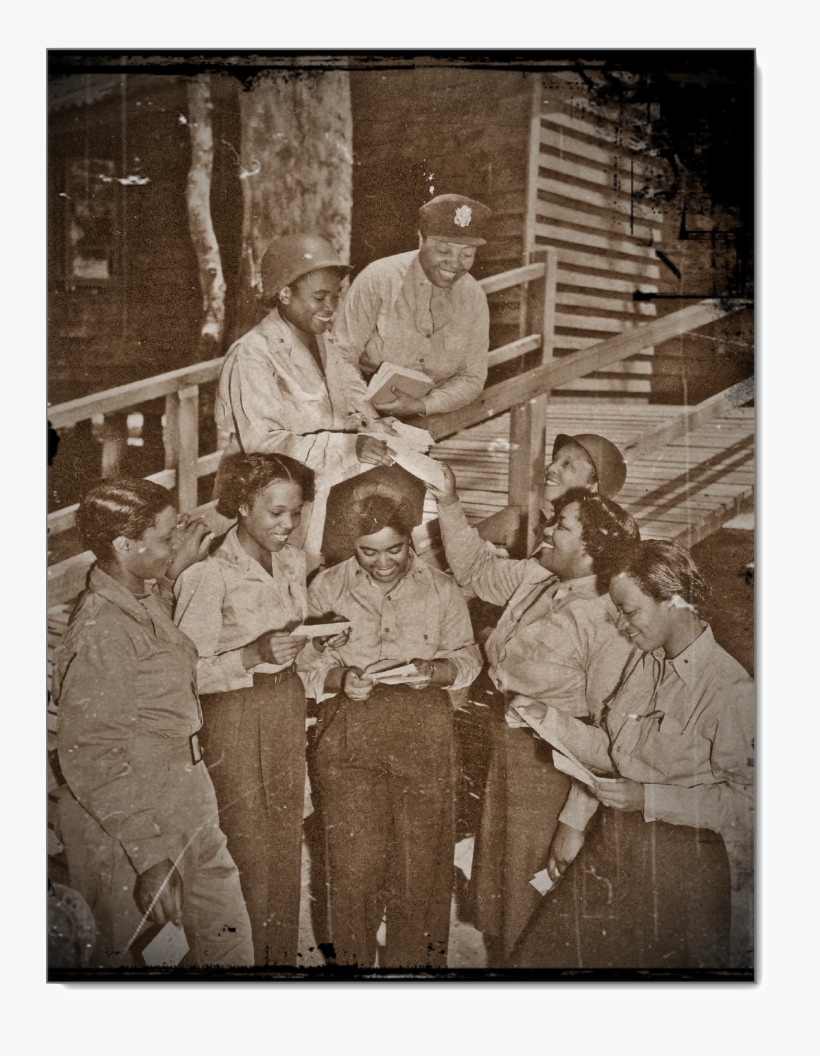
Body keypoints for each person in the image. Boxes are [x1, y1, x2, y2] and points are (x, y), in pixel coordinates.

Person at [514, 539, 754, 970]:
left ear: (674, 603)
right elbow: (613, 751)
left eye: (628, 611)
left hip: (684, 867)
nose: (622, 626)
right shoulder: (648, 661)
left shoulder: (730, 690)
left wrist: (647, 798)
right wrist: (545, 717)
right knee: (537, 959)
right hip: (619, 841)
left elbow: (750, 806)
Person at [434, 464, 638, 963]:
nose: (547, 530)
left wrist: (574, 820)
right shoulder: (540, 576)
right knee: (502, 899)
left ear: (591, 549)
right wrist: (449, 501)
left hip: (554, 774)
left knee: (539, 907)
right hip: (507, 758)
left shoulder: (609, 621)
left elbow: (608, 739)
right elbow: (476, 570)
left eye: (561, 526)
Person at [54, 478, 254, 969]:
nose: (175, 545)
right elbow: (91, 752)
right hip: (129, 818)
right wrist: (148, 856)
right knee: (133, 962)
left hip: (183, 796)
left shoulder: (138, 596)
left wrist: (171, 568)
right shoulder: (102, 630)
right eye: (165, 538)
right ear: (125, 545)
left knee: (227, 946)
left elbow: (156, 645)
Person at [299, 471, 482, 968]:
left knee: (421, 867)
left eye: (394, 549)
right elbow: (305, 665)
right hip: (349, 736)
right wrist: (341, 679)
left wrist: (437, 670)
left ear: (411, 541)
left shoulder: (442, 590)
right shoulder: (327, 587)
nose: (383, 563)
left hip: (424, 732)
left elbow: (468, 657)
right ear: (352, 546)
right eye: (368, 552)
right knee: (351, 868)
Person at [173, 453, 332, 967]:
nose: (288, 526)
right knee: (246, 848)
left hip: (283, 708)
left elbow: (294, 645)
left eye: (297, 513)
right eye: (276, 513)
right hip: (233, 718)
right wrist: (251, 655)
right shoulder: (207, 576)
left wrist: (317, 644)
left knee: (285, 842)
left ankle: (278, 962)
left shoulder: (290, 561)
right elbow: (185, 676)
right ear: (242, 506)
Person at [215, 234, 394, 567]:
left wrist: (374, 421)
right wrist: (347, 447)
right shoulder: (252, 355)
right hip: (275, 508)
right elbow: (263, 441)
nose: (331, 308)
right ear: (284, 294)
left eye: (336, 296)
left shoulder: (323, 342)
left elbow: (351, 390)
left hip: (328, 491)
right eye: (320, 297)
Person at [329, 194, 492, 419]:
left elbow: (472, 377)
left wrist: (422, 405)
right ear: (421, 240)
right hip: (361, 411)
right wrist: (369, 417)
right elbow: (340, 357)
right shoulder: (378, 279)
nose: (455, 263)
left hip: (430, 415)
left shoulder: (474, 297)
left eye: (467, 254)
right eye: (443, 251)